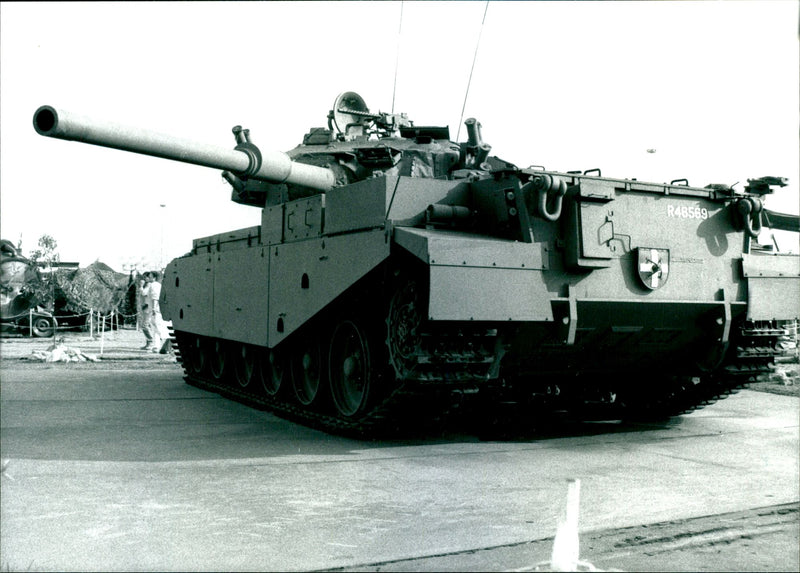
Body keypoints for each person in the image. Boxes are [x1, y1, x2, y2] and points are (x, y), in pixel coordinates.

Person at [137, 271, 162, 352]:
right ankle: (155, 345)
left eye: (149, 276)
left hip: (151, 309)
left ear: (154, 277)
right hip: (149, 308)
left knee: (153, 327)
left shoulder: (153, 285)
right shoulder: (152, 285)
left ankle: (153, 344)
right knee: (154, 327)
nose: (147, 278)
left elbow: (153, 297)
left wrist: (154, 308)